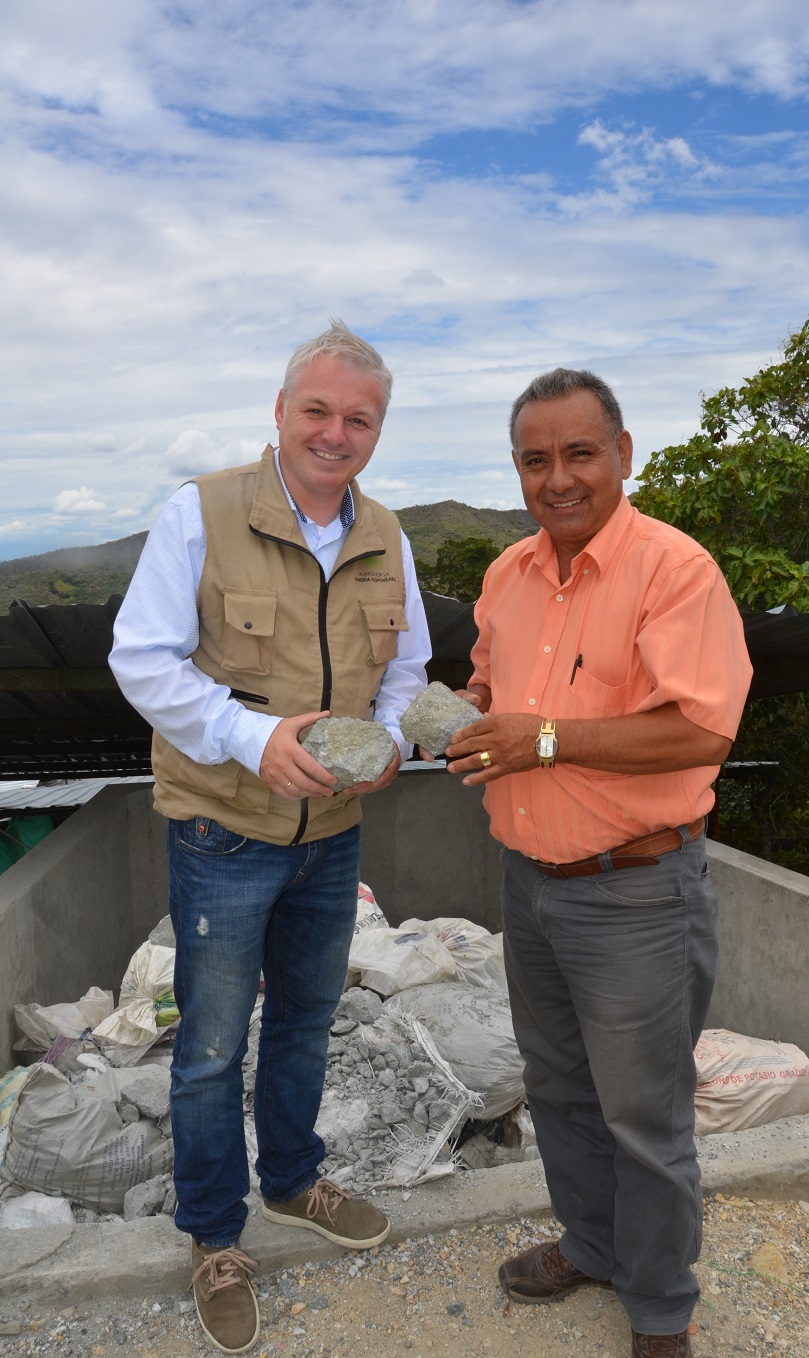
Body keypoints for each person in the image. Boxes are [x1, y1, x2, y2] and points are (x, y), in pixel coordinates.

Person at [110, 321, 430, 1355]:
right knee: (209, 1048)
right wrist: (252, 739)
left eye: (358, 418)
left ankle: (293, 1179)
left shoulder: (387, 533)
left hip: (332, 833)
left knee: (303, 1019)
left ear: (377, 431)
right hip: (223, 830)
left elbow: (409, 669)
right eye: (318, 411)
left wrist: (385, 739)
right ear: (281, 411)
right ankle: (214, 1233)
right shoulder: (198, 513)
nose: (336, 433)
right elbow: (142, 658)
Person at [443, 368, 752, 1358]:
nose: (559, 476)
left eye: (580, 452)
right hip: (532, 885)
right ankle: (592, 1242)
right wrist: (436, 712)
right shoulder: (508, 576)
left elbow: (699, 730)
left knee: (645, 1115)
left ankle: (662, 1309)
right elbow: (493, 688)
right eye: (536, 458)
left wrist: (543, 741)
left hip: (637, 893)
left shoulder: (675, 571)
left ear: (625, 453)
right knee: (562, 1089)